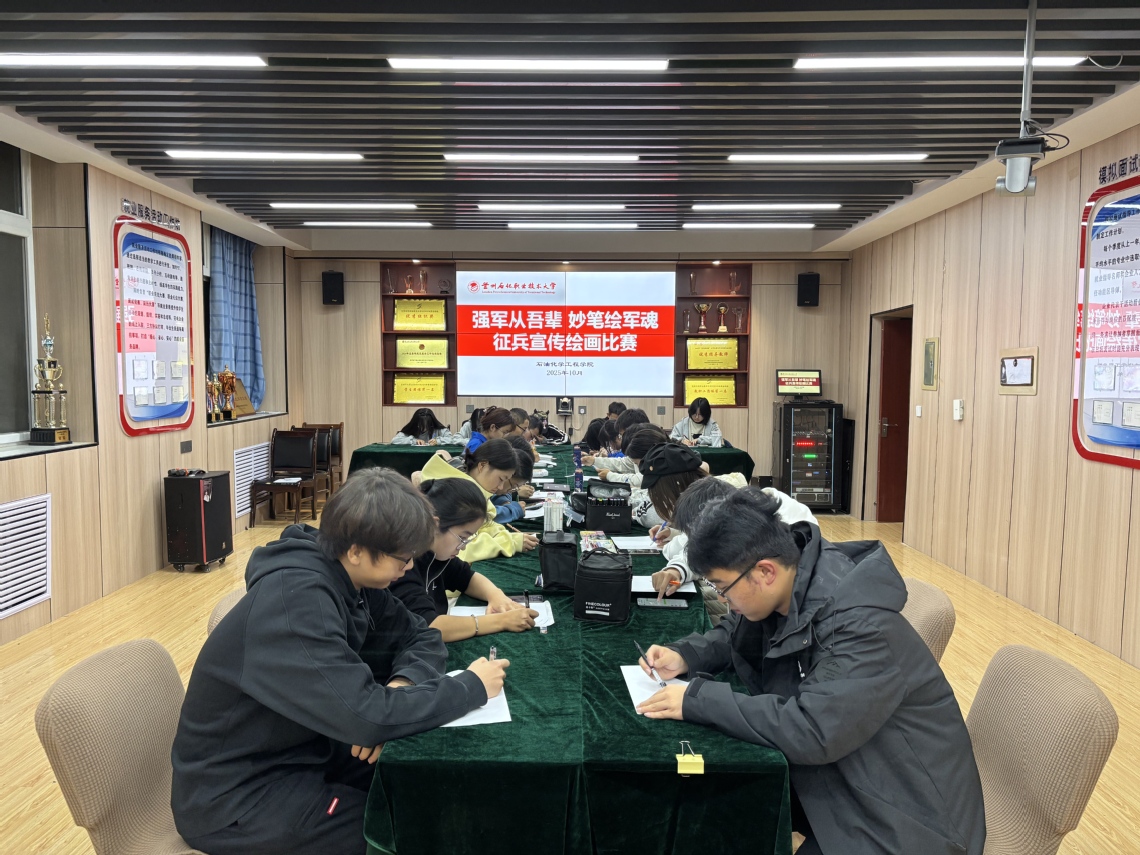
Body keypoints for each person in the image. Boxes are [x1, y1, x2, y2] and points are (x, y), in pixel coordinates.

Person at [171, 468, 510, 855]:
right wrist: (470, 687)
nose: (408, 568)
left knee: (426, 790)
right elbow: (366, 717)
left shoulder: (349, 577)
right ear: (356, 550)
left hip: (307, 751)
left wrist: (404, 683)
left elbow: (422, 635)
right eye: (403, 558)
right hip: (236, 798)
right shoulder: (297, 606)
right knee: (397, 826)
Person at [635, 488, 986, 855]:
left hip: (907, 820)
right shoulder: (794, 579)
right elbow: (741, 631)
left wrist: (699, 699)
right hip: (848, 777)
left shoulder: (859, 625)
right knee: (711, 807)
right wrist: (687, 654)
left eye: (723, 588)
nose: (723, 600)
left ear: (765, 572)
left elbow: (812, 730)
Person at [389, 478, 538, 641]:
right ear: (435, 525)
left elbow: (466, 577)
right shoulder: (402, 566)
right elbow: (430, 626)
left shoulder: (436, 552)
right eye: (462, 537)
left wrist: (496, 596)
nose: (464, 547)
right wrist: (500, 621)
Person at [418, 438, 539, 559]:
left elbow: (485, 524)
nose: (501, 487)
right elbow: (460, 548)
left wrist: (507, 536)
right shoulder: (456, 492)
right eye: (501, 479)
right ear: (482, 465)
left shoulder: (470, 483)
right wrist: (508, 543)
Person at [391, 407, 457, 446]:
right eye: (421, 425)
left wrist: (438, 441)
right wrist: (414, 441)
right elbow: (395, 440)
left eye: (427, 425)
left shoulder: (440, 430)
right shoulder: (410, 429)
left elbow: (453, 440)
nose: (424, 429)